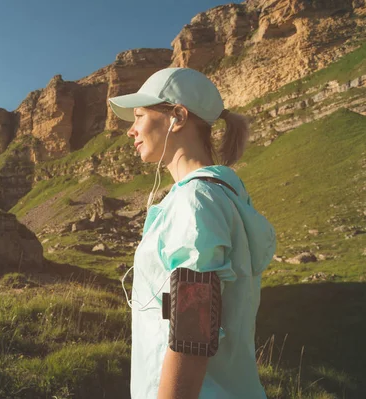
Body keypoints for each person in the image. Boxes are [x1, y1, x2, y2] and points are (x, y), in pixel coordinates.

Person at [109, 67, 276, 399]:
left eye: (140, 115)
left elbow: (192, 335)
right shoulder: (223, 195)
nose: (131, 130)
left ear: (178, 116)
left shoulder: (195, 201)